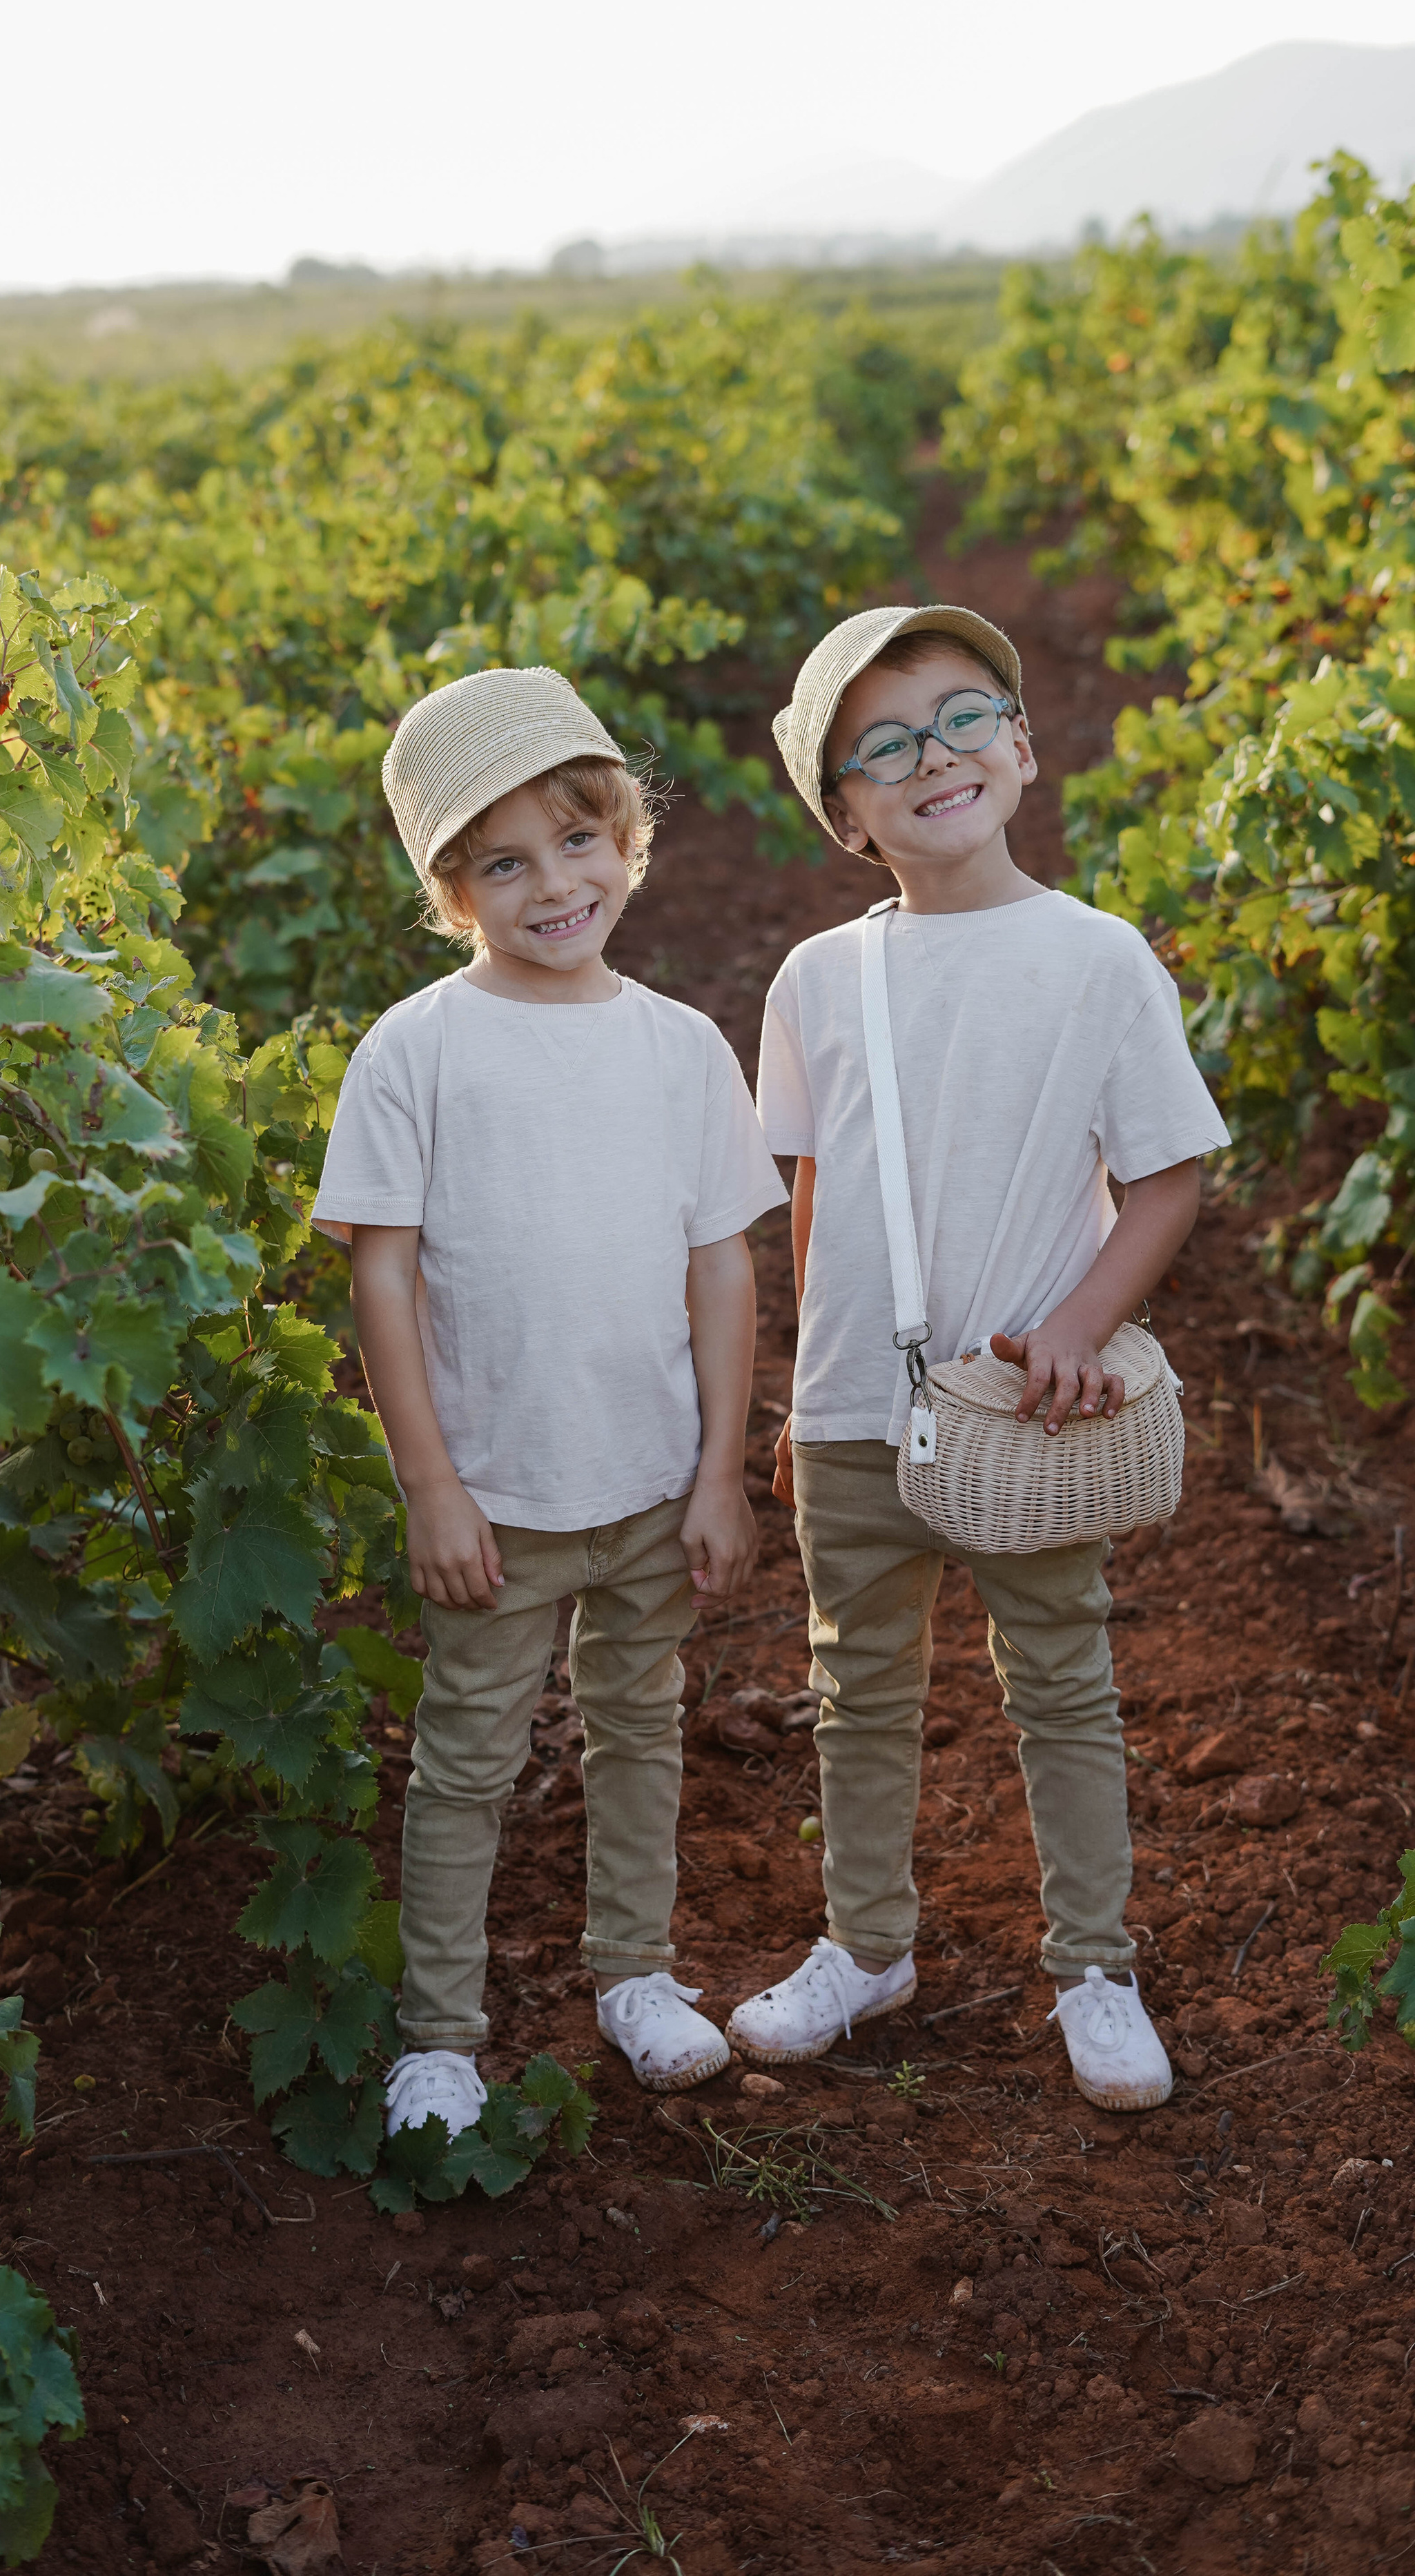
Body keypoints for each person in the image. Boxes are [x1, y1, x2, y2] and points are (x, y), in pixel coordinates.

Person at [728, 605, 1229, 2111]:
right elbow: (815, 1184)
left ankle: (1094, 1967)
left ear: (1018, 743)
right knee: (856, 1689)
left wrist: (1079, 1322)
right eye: (882, 748)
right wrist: (801, 1391)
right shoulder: (819, 978)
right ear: (845, 816)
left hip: (1026, 1402)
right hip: (854, 1406)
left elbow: (1169, 1177)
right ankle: (866, 1945)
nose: (930, 758)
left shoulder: (1095, 959)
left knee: (1060, 1681)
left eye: (959, 719)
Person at [313, 665, 788, 2139]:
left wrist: (718, 1471)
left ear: (625, 837)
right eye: (503, 864)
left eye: (577, 841)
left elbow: (721, 1268)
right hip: (497, 1499)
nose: (554, 885)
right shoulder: (416, 1052)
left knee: (639, 1728)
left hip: (649, 1483)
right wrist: (431, 1487)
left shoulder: (679, 1048)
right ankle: (441, 2035)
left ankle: (634, 1975)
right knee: (467, 1758)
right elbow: (382, 1279)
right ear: (452, 892)